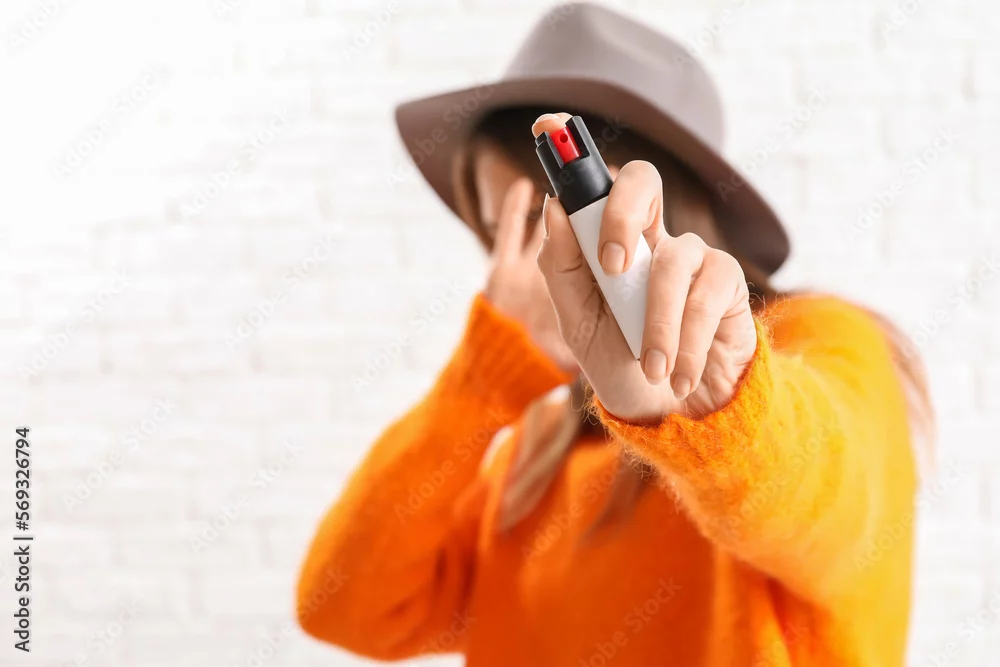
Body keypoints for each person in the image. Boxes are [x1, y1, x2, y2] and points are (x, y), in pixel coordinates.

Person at [296, 3, 932, 666]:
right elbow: (346, 609)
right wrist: (482, 382)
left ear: (629, 203)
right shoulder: (538, 453)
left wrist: (719, 407)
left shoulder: (821, 341)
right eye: (494, 232)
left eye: (531, 223)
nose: (511, 270)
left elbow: (836, 511)